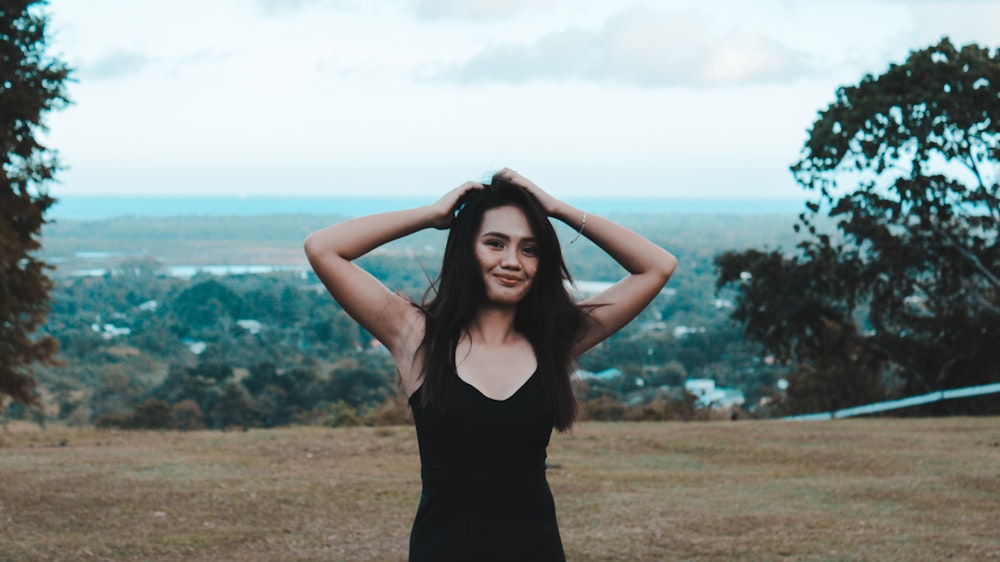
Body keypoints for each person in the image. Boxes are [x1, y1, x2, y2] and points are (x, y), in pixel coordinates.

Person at [304, 168, 677, 561]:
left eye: (529, 249)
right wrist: (432, 216)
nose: (512, 261)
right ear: (466, 248)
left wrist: (557, 209)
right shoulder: (418, 339)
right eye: (495, 244)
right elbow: (324, 248)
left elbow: (657, 266)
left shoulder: (555, 341)